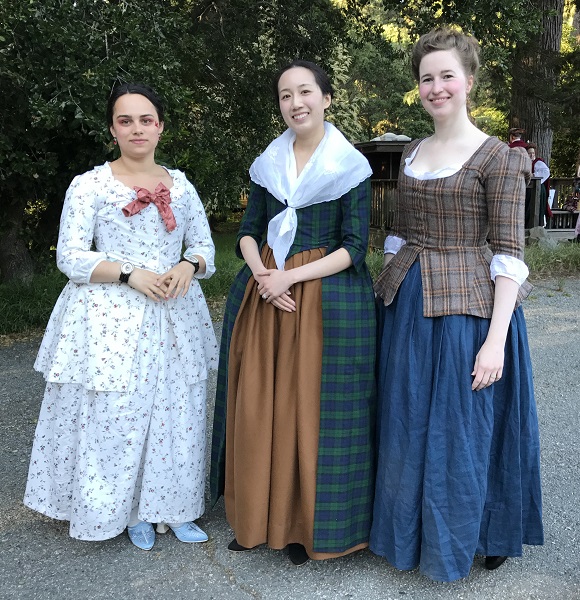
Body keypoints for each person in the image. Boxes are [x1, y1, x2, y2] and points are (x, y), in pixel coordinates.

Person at [369, 28, 543, 582]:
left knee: (463, 427)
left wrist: (495, 342)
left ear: (469, 81)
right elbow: (400, 231)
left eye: (447, 75)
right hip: (410, 302)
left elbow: (510, 253)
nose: (436, 87)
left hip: (469, 312)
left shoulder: (499, 158)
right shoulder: (415, 151)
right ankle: (412, 531)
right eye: (427, 78)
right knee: (411, 420)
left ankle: (482, 531)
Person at [24, 83, 218, 551]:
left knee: (178, 412)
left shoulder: (183, 186)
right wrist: (129, 273)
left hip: (174, 315)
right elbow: (70, 257)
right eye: (125, 120)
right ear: (112, 129)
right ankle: (127, 509)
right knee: (118, 413)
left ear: (160, 127)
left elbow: (205, 248)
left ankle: (172, 506)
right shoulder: (90, 185)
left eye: (146, 120)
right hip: (110, 318)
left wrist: (187, 266)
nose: (137, 128)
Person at [210, 60, 376, 566]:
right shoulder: (269, 163)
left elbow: (355, 247)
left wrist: (289, 277)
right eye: (286, 95)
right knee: (259, 404)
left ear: (327, 99)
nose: (296, 102)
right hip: (266, 293)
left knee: (308, 410)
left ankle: (302, 527)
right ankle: (256, 518)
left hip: (323, 299)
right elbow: (247, 228)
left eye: (306, 91)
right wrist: (263, 274)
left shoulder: (350, 167)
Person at [526, 142, 553, 223]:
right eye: (529, 153)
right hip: (529, 190)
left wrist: (533, 175)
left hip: (538, 190)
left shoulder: (538, 162)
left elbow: (546, 172)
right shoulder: (525, 162)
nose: (532, 155)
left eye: (533, 153)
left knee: (536, 208)